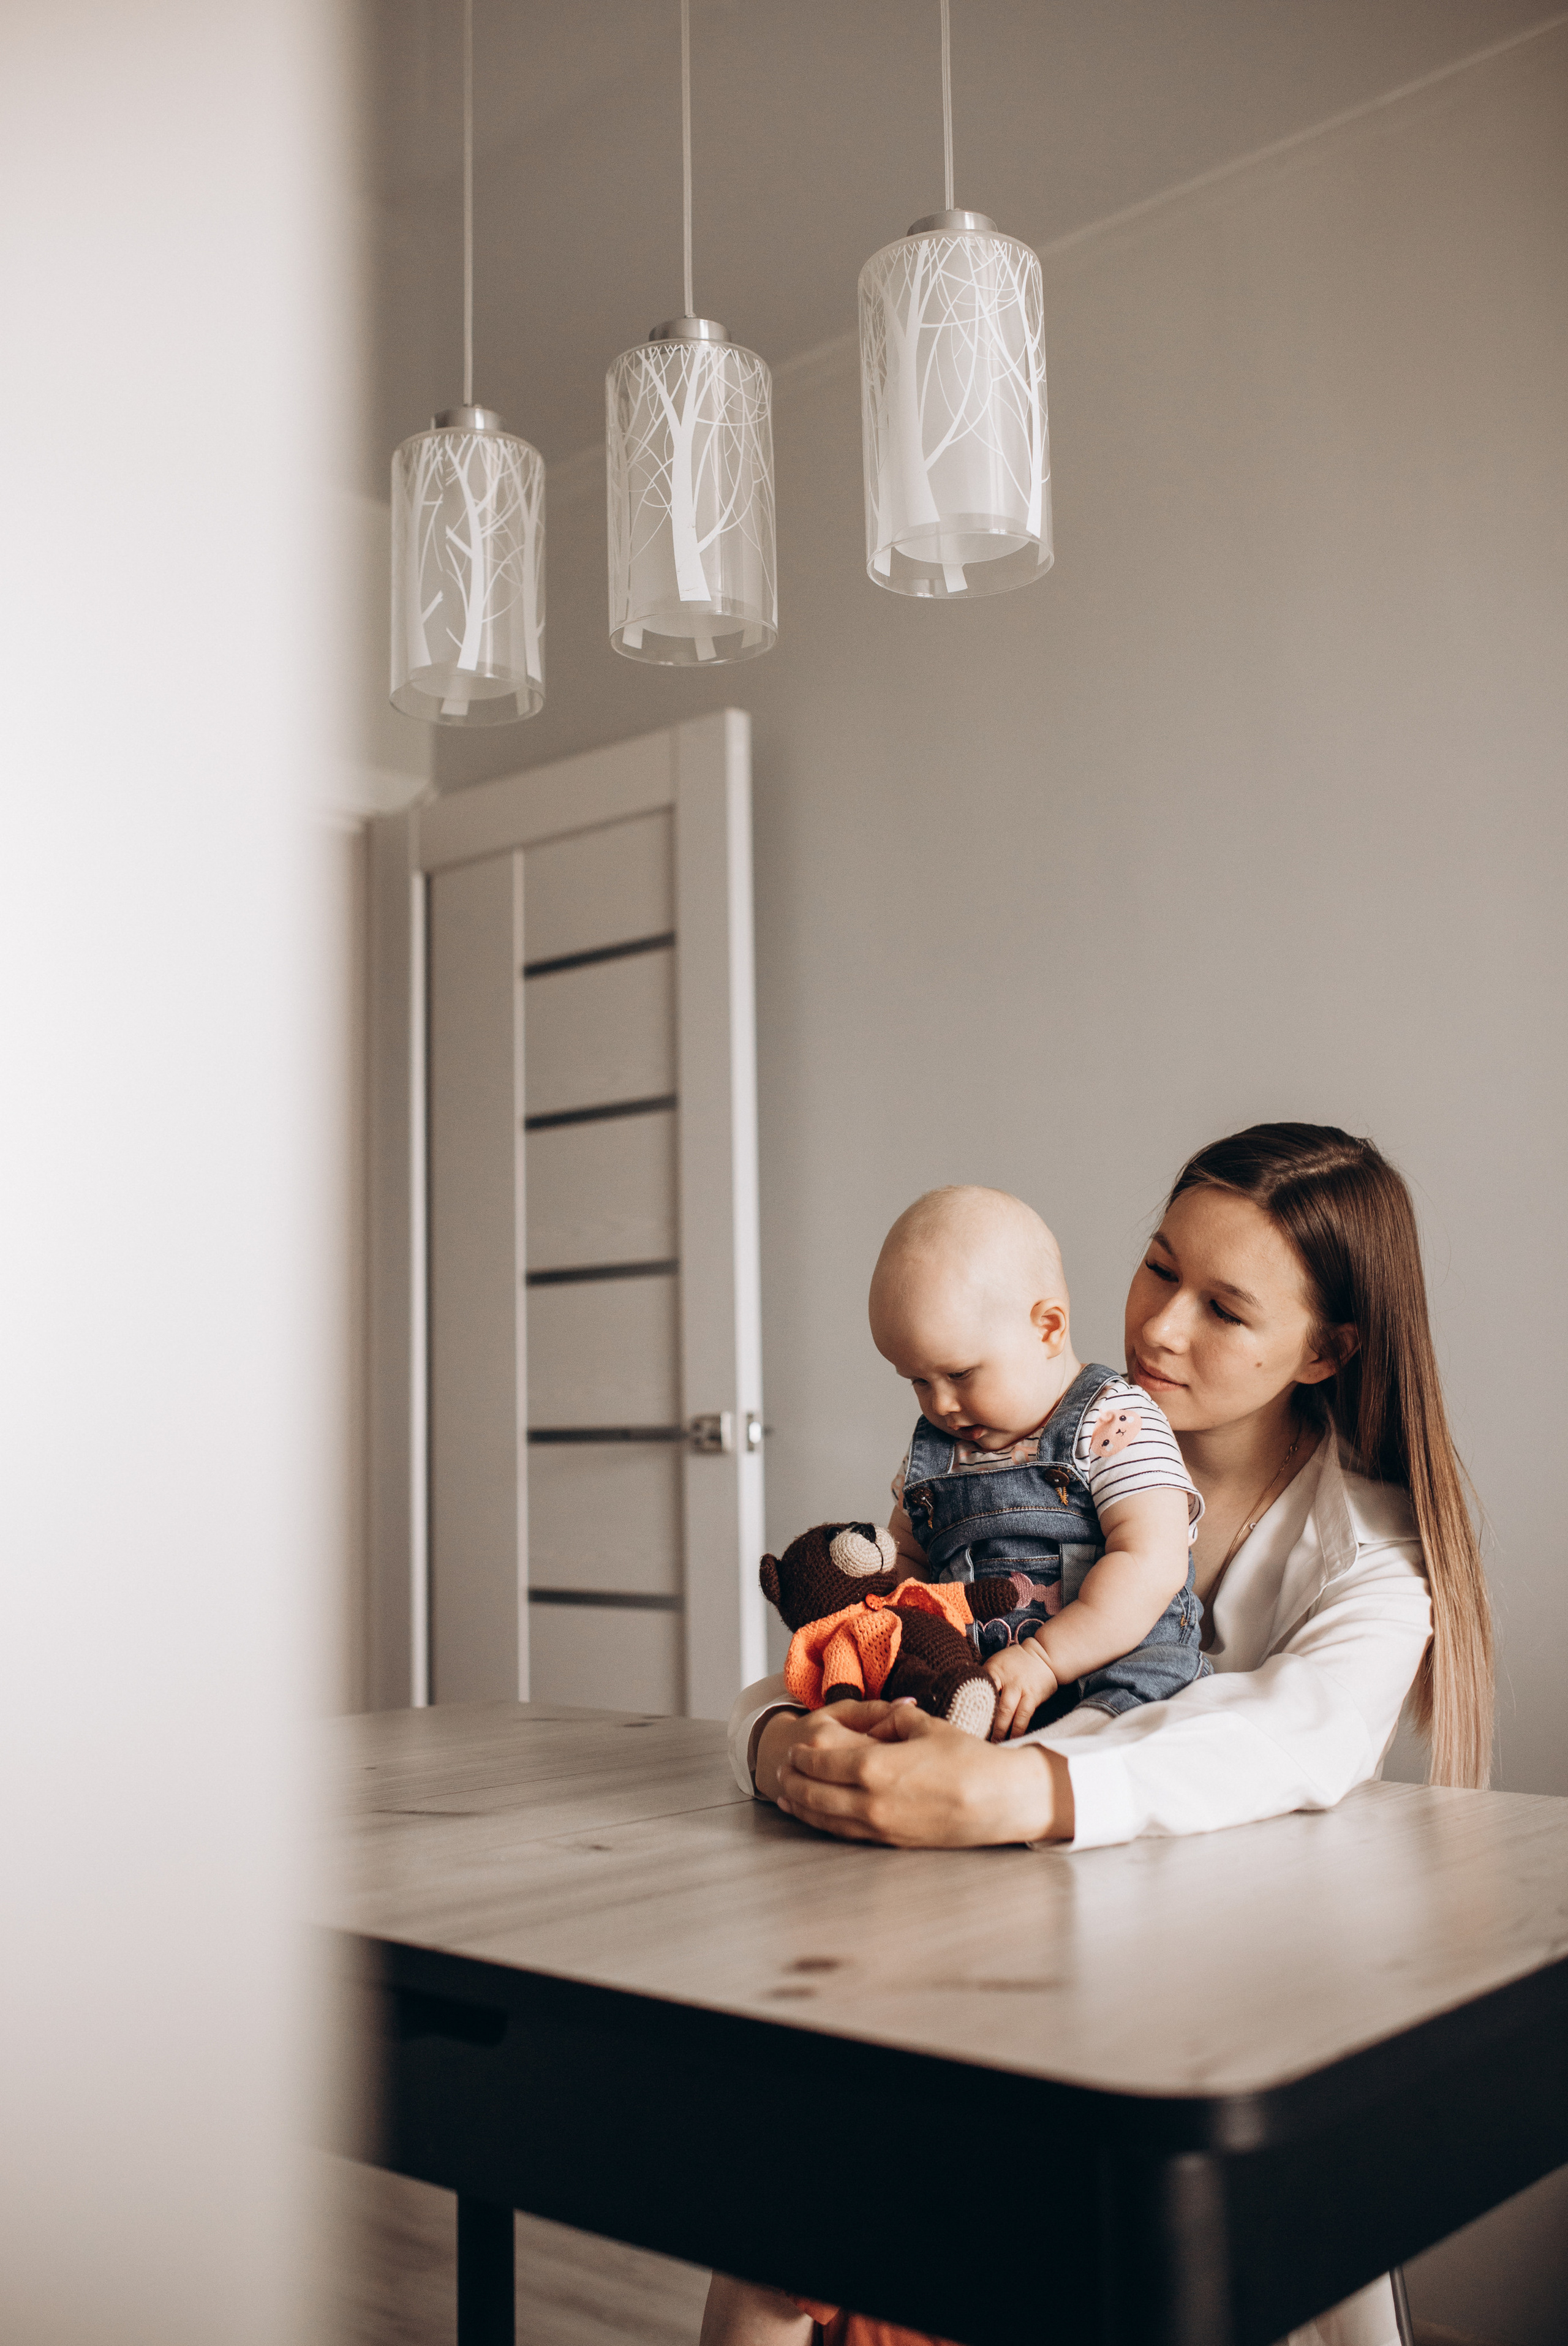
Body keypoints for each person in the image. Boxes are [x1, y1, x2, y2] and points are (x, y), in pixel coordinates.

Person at [710, 1125, 1494, 2346]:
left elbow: (1296, 1735)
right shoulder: (1015, 1447)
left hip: (1210, 2038)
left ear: (1326, 1348)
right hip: (974, 1988)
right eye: (1154, 1264)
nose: (1158, 1327)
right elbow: (850, 1652)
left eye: (1224, 1309)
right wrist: (781, 1746)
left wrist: (1013, 1792)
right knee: (770, 2236)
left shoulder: (1367, 1556)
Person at [867, 1183, 1205, 1738]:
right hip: (985, 1687)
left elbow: (1152, 1561)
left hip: (1109, 1672)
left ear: (1048, 1328)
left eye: (959, 1374)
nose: (941, 1405)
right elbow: (908, 1558)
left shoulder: (1114, 1421)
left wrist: (1047, 1659)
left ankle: (1061, 1770)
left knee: (1151, 1701)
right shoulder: (935, 1451)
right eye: (918, 1382)